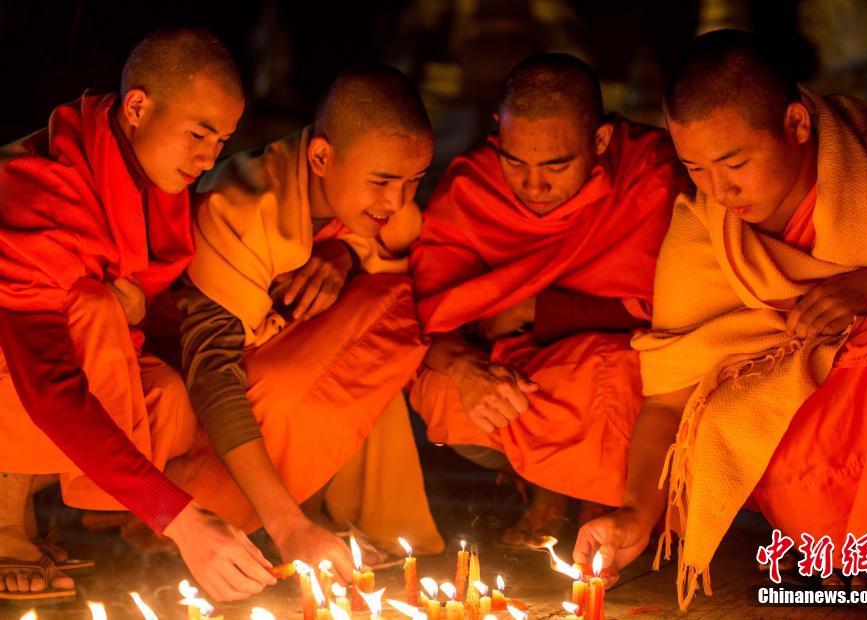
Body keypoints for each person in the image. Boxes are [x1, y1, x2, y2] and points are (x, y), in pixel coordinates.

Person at [574, 29, 867, 609]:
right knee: (732, 411)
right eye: (696, 168)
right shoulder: (705, 227)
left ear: (796, 124)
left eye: (734, 163)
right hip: (802, 426)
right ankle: (840, 543)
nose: (719, 189)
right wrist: (637, 515)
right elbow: (668, 399)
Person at [0, 29, 280, 602]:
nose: (208, 160)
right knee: (92, 304)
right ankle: (4, 517)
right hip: (25, 367)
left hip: (47, 359)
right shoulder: (43, 191)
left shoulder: (147, 174)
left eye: (221, 141)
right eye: (198, 135)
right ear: (136, 106)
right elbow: (48, 383)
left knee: (169, 398)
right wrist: (178, 518)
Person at [165, 64, 444, 581]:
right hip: (196, 427)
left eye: (414, 181)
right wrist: (286, 525)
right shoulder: (240, 208)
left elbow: (395, 255)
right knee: (383, 314)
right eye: (381, 181)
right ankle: (270, 511)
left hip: (254, 411)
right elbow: (212, 376)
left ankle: (305, 507)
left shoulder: (376, 212)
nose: (396, 201)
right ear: (320, 157)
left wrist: (343, 254)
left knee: (394, 306)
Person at [409, 53, 688, 546]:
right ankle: (546, 487)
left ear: (599, 141)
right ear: (498, 129)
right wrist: (465, 370)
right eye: (515, 161)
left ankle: (605, 510)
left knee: (620, 379)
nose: (533, 185)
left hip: (618, 362)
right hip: (514, 364)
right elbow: (424, 319)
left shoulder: (650, 174)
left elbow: (675, 307)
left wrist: (532, 311)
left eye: (556, 166)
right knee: (446, 389)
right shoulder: (473, 188)